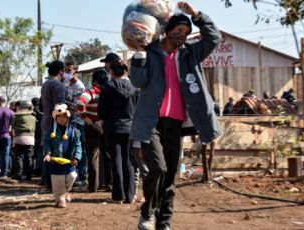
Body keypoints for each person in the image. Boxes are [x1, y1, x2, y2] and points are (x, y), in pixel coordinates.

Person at [129, 2, 221, 229]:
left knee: (170, 176)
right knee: (158, 168)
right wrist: (139, 56)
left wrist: (196, 15)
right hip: (152, 122)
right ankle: (147, 214)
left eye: (186, 33)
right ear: (168, 30)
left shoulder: (190, 54)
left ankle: (164, 222)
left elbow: (214, 38)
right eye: (178, 31)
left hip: (177, 123)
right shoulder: (149, 52)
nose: (182, 36)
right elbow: (138, 82)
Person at [98, 60, 137, 204]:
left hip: (112, 127)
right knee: (129, 161)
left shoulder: (107, 87)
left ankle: (118, 196)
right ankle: (130, 195)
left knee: (116, 160)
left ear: (111, 72)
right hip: (130, 127)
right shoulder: (133, 87)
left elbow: (101, 111)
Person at [75, 70, 109, 193]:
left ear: (94, 80)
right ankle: (108, 184)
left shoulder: (91, 91)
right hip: (106, 125)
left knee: (93, 156)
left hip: (93, 125)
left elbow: (80, 103)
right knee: (107, 155)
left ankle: (93, 186)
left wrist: (86, 118)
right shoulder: (108, 91)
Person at [43, 103, 82, 208]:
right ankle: (60, 198)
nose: (61, 119)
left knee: (72, 176)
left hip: (69, 161)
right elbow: (46, 142)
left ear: (68, 116)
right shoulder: (50, 131)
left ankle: (66, 191)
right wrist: (47, 153)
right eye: (59, 117)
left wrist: (77, 157)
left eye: (64, 116)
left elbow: (78, 145)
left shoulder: (74, 131)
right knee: (58, 180)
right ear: (55, 117)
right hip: (55, 160)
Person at [40, 60, 67, 187]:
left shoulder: (45, 84)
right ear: (61, 72)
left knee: (47, 147)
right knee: (57, 149)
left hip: (46, 119)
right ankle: (54, 180)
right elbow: (60, 106)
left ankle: (46, 178)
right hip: (55, 119)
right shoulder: (59, 86)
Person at [64, 61, 87, 186]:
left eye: (69, 70)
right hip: (68, 121)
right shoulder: (67, 84)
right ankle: (73, 172)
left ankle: (82, 175)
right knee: (70, 148)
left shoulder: (79, 86)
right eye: (65, 70)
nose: (67, 73)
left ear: (75, 71)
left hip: (78, 121)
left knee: (80, 149)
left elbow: (79, 106)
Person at [11, 100, 36, 180]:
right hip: (30, 139)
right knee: (29, 157)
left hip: (19, 138)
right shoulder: (33, 117)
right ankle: (29, 175)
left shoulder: (17, 117)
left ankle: (19, 174)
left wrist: (13, 138)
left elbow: (12, 128)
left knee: (18, 157)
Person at [31, 97, 44, 175]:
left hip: (35, 133)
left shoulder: (33, 110)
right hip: (40, 132)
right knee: (40, 151)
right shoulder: (41, 110)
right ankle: (39, 168)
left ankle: (35, 168)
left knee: (34, 152)